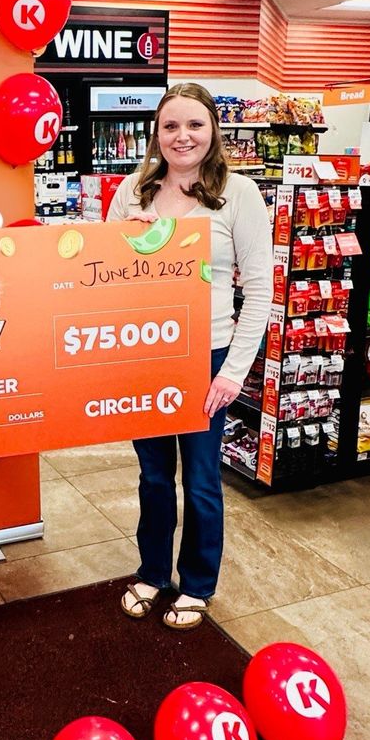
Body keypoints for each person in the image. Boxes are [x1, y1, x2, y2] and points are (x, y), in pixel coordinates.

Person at [107, 82, 273, 629]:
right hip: (146, 355)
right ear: (156, 134)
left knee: (201, 479)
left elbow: (260, 292)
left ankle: (198, 583)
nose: (183, 136)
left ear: (213, 131)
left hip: (207, 356)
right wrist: (119, 243)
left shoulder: (239, 194)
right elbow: (101, 278)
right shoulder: (132, 192)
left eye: (195, 124)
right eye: (171, 126)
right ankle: (153, 571)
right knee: (154, 476)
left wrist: (232, 373)